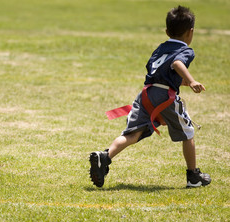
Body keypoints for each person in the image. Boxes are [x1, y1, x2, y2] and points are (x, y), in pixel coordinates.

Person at [89, 5, 211, 188]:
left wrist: (179, 82)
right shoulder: (186, 50)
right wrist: (191, 81)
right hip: (165, 97)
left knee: (133, 133)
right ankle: (193, 176)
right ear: (190, 32)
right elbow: (177, 63)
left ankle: (105, 156)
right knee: (188, 134)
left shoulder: (161, 48)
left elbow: (158, 69)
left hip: (147, 93)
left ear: (167, 31)